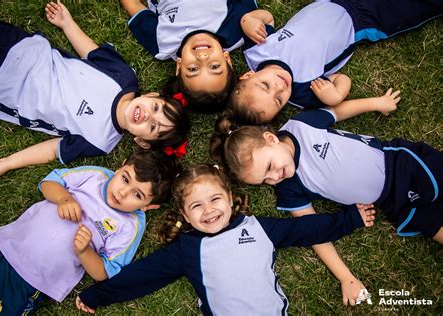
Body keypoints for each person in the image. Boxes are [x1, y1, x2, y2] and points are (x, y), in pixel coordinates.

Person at [74, 164, 375, 314]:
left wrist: (350, 219)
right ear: (184, 214)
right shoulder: (187, 249)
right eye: (196, 206)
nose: (208, 211)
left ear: (230, 198)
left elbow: (304, 230)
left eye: (215, 199)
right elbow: (143, 276)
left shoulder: (259, 228)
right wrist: (97, 296)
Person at [0, 1, 190, 182]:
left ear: (142, 142)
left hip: (6, 85)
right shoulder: (124, 78)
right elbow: (91, 53)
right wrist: (67, 24)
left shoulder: (100, 141)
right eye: (155, 108)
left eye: (152, 126)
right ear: (151, 95)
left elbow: (54, 149)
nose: (147, 116)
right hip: (25, 48)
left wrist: (8, 163)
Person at [0, 150, 181, 314]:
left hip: (27, 280)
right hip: (0, 245)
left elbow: (105, 272)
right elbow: (49, 182)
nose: (122, 192)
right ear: (121, 167)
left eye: (137, 194)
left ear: (148, 206)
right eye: (125, 179)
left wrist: (84, 251)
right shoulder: (95, 176)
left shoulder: (131, 226)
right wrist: (64, 198)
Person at [210, 99, 443, 243]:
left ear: (271, 139)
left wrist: (376, 103)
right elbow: (312, 230)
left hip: (399, 163)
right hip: (392, 201)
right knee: (431, 225)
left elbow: (337, 112)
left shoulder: (300, 126)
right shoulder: (290, 188)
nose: (274, 177)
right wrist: (345, 277)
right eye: (265, 180)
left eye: (269, 167)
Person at [225, 0, 443, 124]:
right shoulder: (303, 92)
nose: (280, 87)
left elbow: (268, 18)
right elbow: (341, 78)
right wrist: (336, 95)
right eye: (279, 100)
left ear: (248, 75)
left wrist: (250, 20)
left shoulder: (255, 51)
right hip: (365, 21)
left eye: (265, 86)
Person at [121, 0, 273, 112]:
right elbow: (264, 15)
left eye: (193, 69)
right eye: (214, 66)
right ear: (227, 59)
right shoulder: (236, 31)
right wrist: (250, 19)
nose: (202, 57)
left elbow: (134, 5)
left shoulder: (162, 43)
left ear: (179, 66)